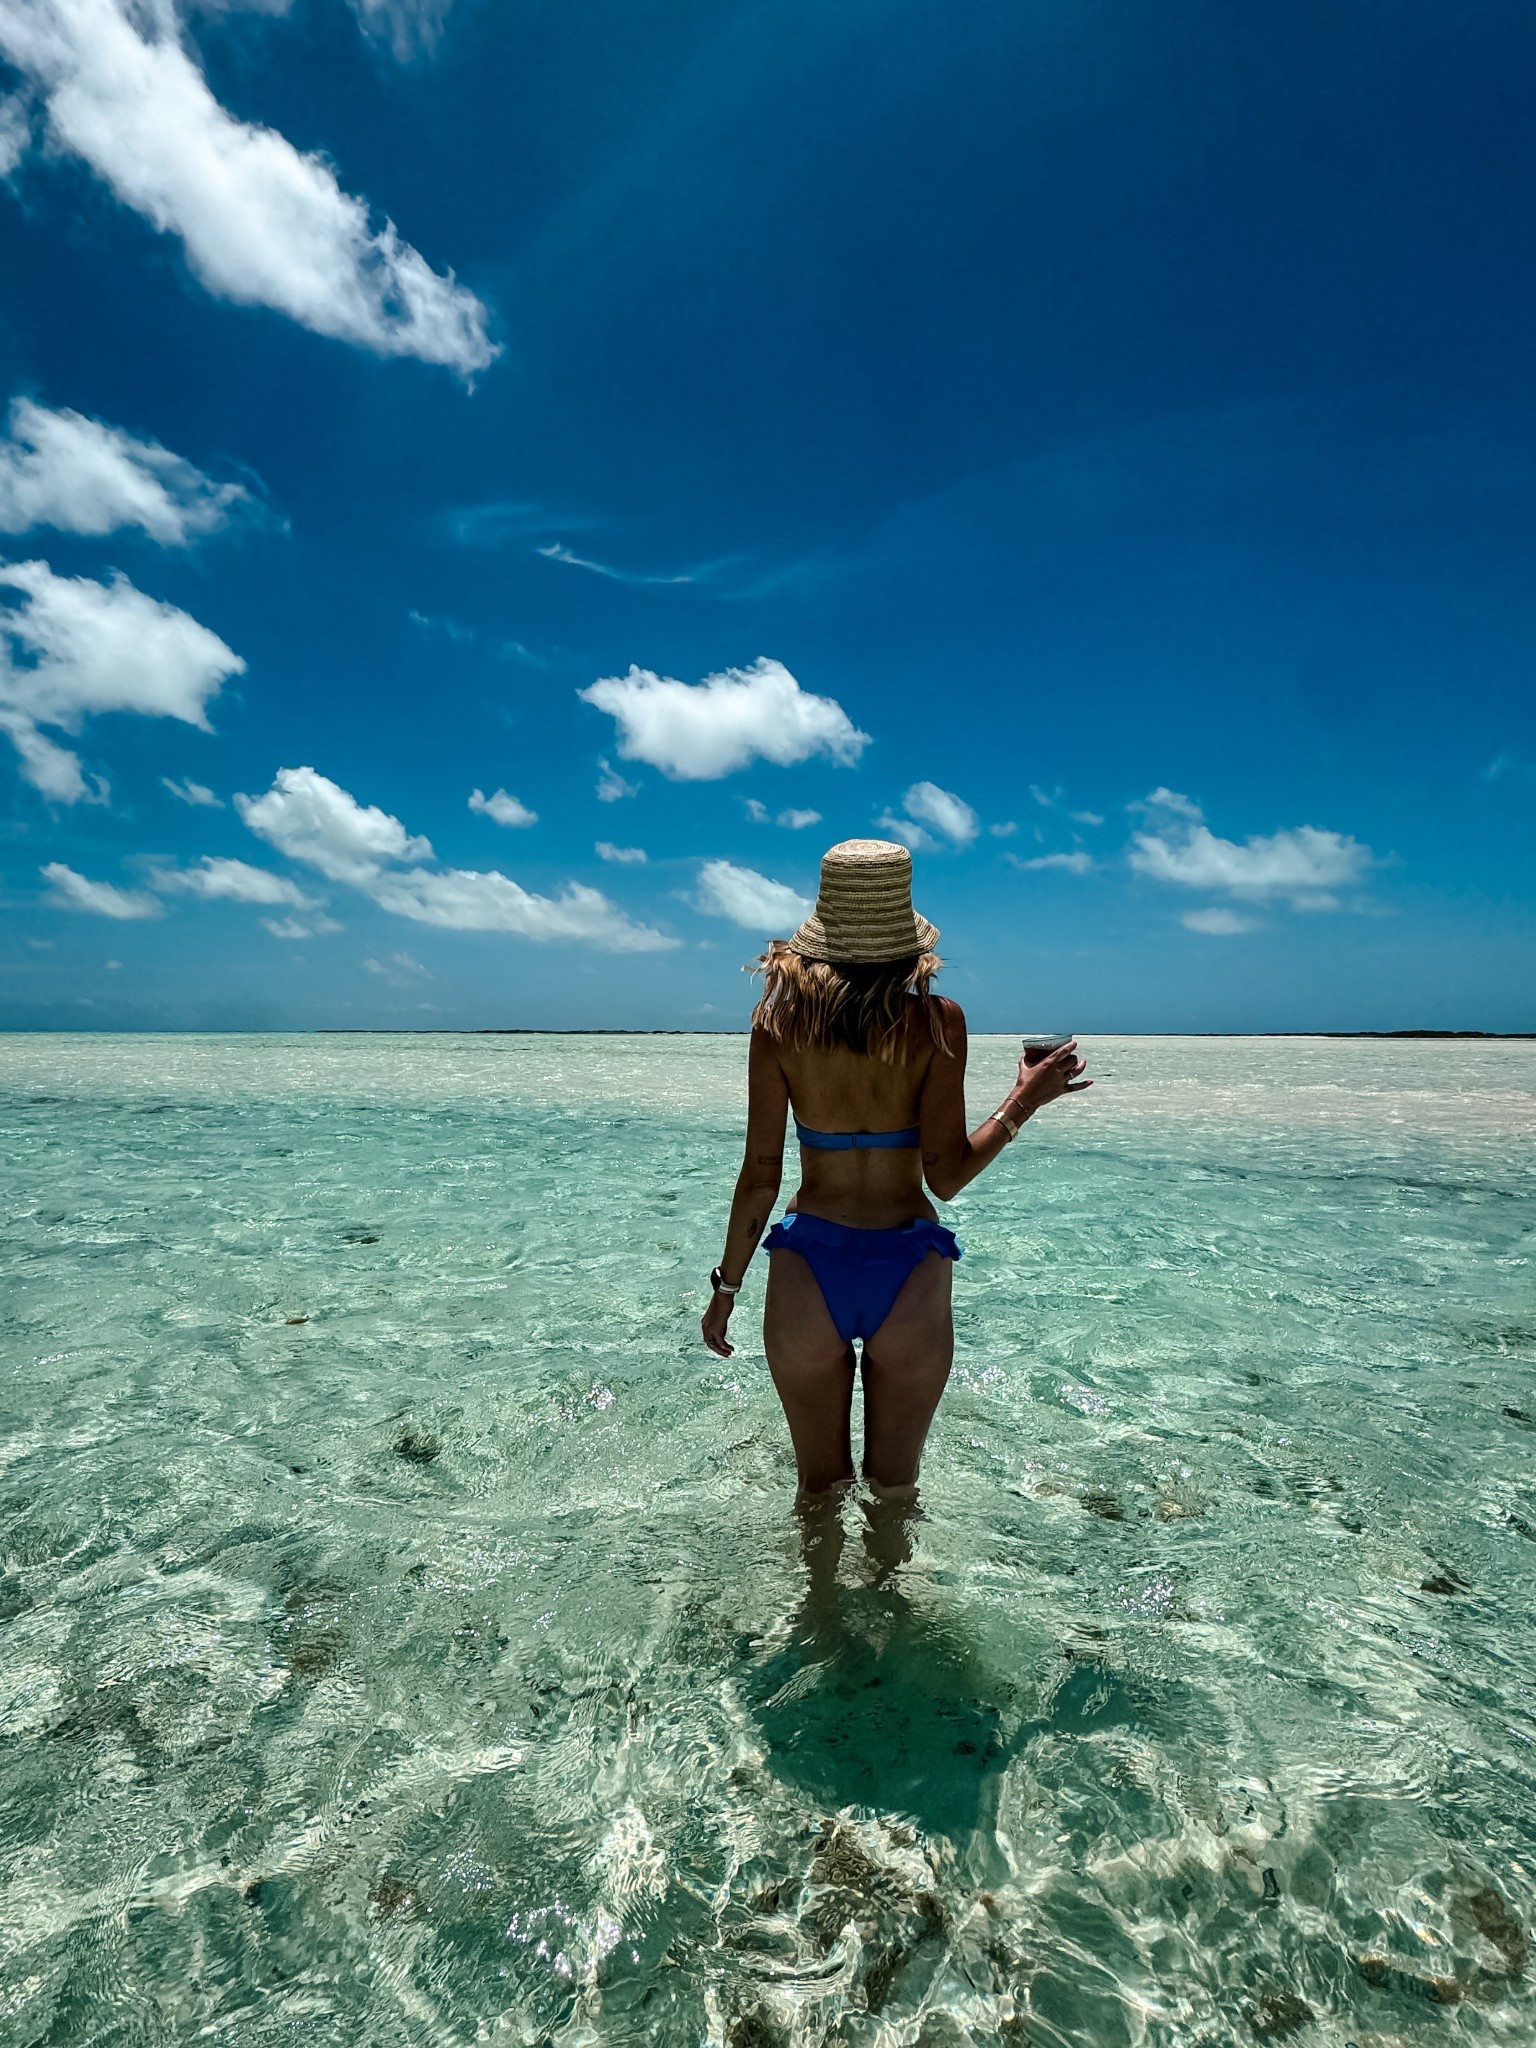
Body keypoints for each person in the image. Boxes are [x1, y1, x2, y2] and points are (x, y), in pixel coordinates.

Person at [701, 838, 1090, 1503]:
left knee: (817, 1493)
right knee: (895, 1494)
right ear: (905, 934)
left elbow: (760, 1176)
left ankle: (816, 1604)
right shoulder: (938, 1023)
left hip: (807, 1264)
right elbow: (946, 1176)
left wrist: (726, 1287)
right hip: (908, 1267)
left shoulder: (777, 1028)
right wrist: (1026, 1099)